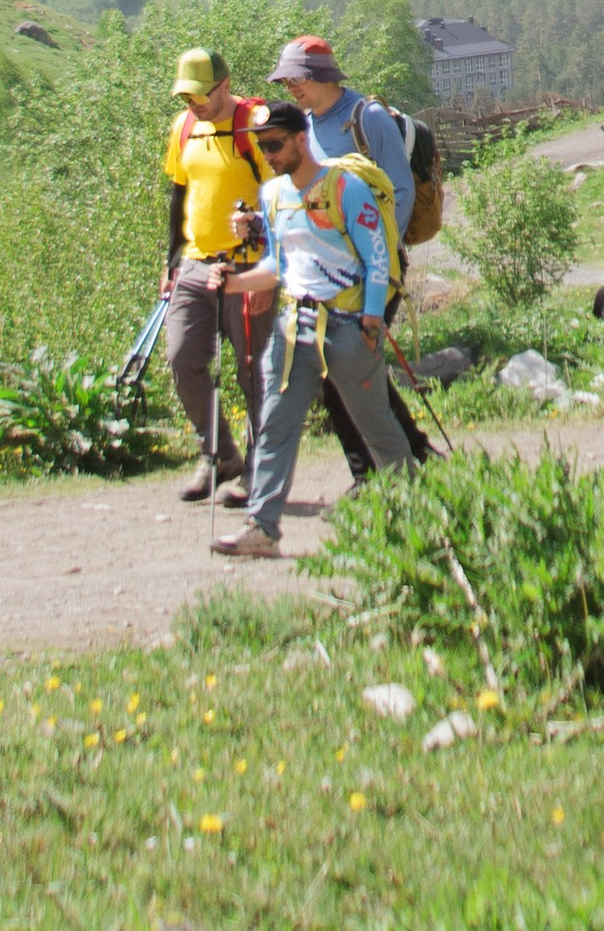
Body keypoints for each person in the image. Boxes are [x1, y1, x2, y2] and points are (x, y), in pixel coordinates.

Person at [213, 102, 413, 559]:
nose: (269, 154)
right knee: (275, 426)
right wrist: (233, 282)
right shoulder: (274, 195)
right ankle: (261, 528)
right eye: (263, 146)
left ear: (302, 139)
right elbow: (279, 267)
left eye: (276, 145)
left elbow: (376, 256)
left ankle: (417, 511)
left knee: (375, 425)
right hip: (293, 324)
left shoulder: (346, 188)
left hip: (347, 325)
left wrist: (371, 317)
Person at [161, 47, 267, 502]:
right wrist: (170, 262)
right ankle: (220, 456)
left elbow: (284, 190)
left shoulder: (255, 124)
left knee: (251, 372)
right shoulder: (183, 127)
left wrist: (269, 266)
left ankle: (258, 470)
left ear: (225, 85)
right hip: (195, 262)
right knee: (182, 359)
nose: (195, 105)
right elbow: (178, 195)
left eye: (202, 96)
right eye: (188, 97)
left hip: (248, 262)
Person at [269, 35, 417, 240]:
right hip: (327, 260)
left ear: (323, 75)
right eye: (285, 81)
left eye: (297, 78)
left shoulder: (369, 117)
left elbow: (401, 191)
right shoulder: (304, 126)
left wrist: (374, 252)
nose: (290, 88)